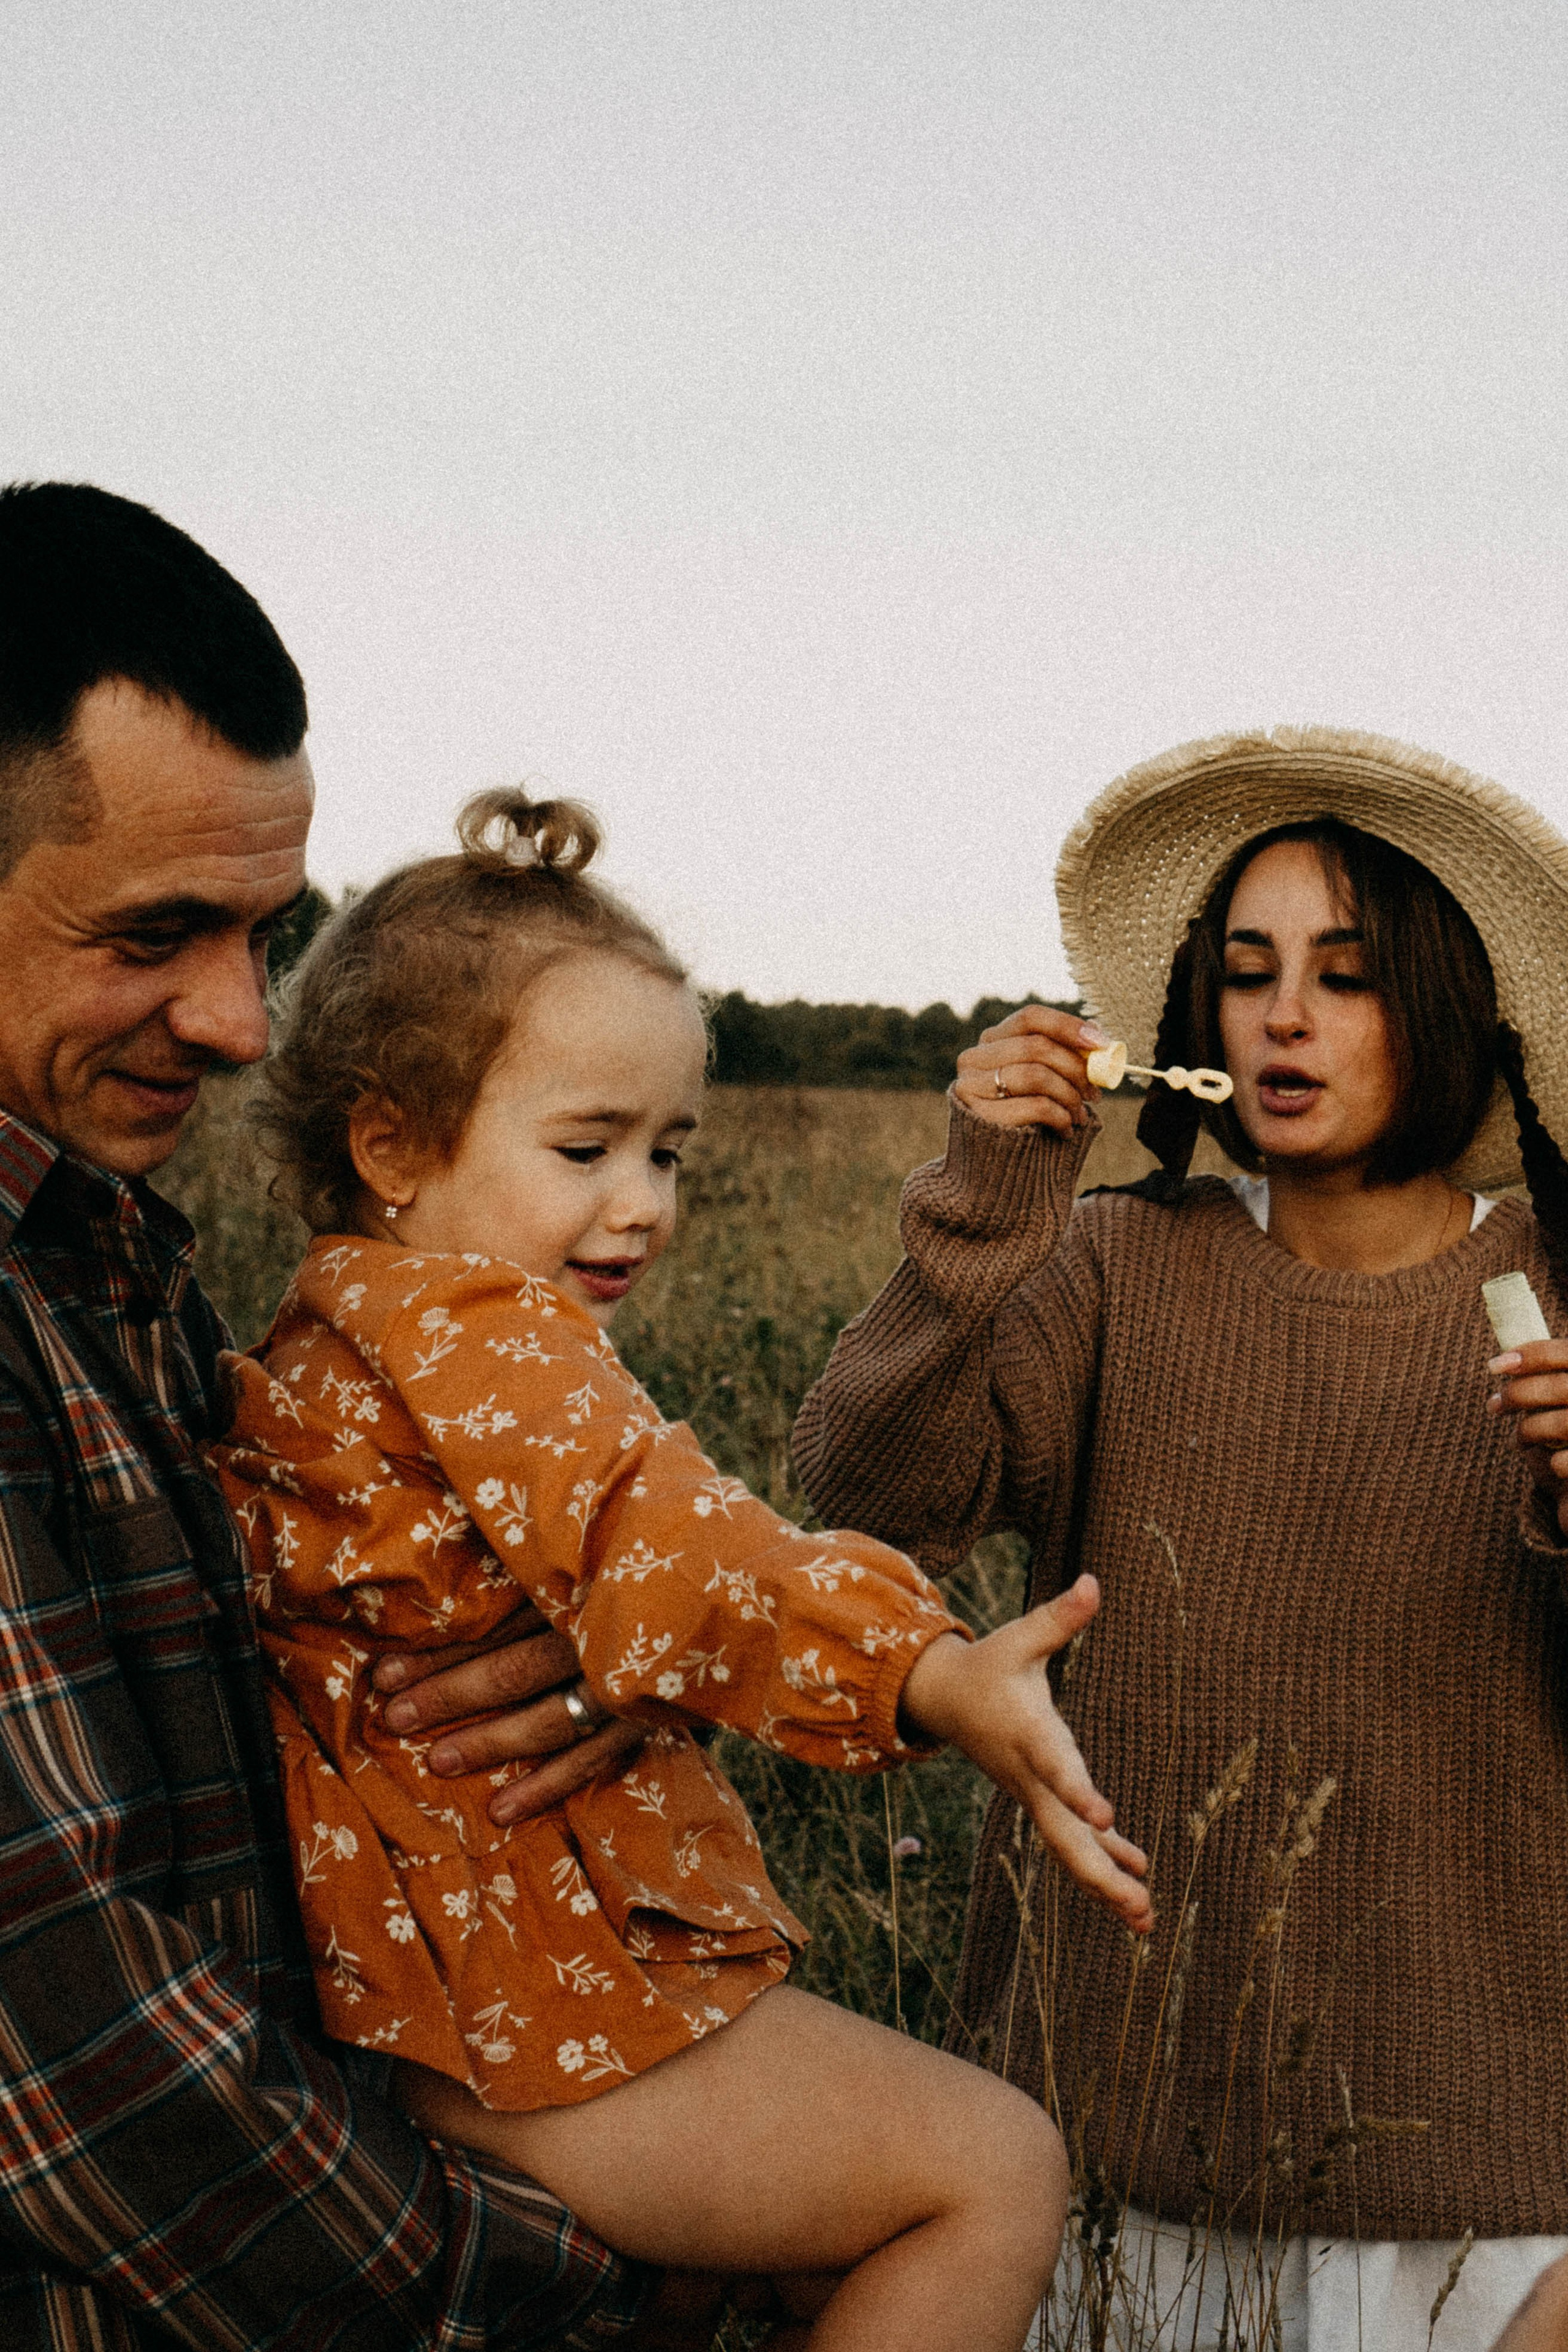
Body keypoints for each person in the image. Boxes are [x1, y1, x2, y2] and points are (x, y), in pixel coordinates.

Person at [208, 787, 1155, 2352]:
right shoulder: (483, 1334)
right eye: (586, 1147)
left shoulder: (333, 1330)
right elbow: (675, 1550)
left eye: (667, 1150)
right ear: (388, 1140)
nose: (643, 1203)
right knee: (989, 2168)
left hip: (434, 1987)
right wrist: (922, 1674)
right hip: (533, 2006)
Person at [0, 478, 691, 2349]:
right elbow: (81, 2057)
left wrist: (530, 1642)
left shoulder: (112, 1253)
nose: (239, 1021)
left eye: (264, 929)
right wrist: (620, 2287)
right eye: (153, 934)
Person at [793, 727, 1568, 2350]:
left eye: (1345, 976)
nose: (1282, 1016)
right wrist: (983, 1207)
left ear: (1450, 1013)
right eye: (1246, 969)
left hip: (1498, 2184)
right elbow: (870, 1496)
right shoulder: (1112, 1265)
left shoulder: (1550, 1301)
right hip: (1113, 2143)